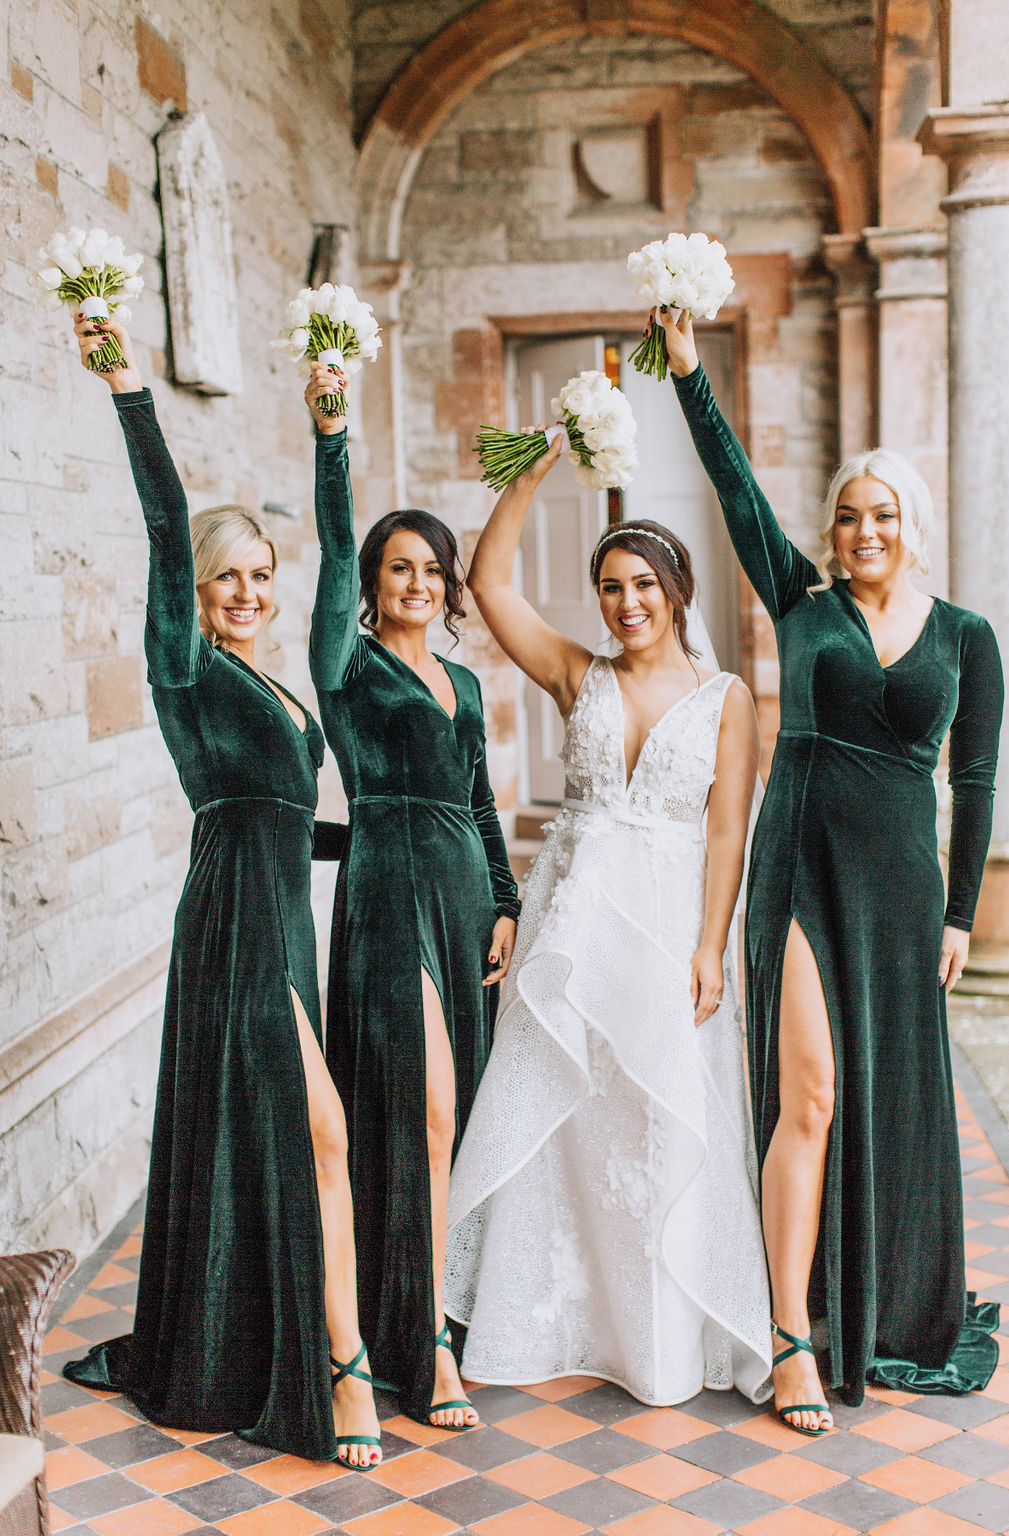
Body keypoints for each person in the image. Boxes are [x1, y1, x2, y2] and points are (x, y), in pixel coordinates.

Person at [662, 306, 1002, 1427]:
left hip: (904, 891)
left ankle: (884, 1301)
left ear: (912, 525)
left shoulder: (967, 636)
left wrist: (960, 916)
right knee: (807, 1093)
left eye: (883, 514)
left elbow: (976, 783)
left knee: (890, 1099)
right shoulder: (801, 602)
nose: (864, 530)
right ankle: (792, 1333)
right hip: (801, 867)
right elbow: (735, 491)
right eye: (849, 515)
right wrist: (689, 373)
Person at [62, 318, 382, 1468]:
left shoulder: (280, 684)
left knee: (293, 1138)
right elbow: (163, 524)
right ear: (197, 592)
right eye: (225, 577)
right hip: (237, 928)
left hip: (282, 918)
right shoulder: (185, 666)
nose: (245, 592)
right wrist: (129, 389)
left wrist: (331, 438)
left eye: (258, 576)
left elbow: (340, 577)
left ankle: (263, 1343)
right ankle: (342, 1371)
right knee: (323, 1132)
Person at [443, 428, 774, 1408]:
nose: (627, 604)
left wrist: (710, 948)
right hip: (573, 926)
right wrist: (538, 464)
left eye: (643, 586)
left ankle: (658, 1337)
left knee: (657, 1118)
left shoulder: (725, 700)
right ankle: (548, 1319)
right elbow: (489, 583)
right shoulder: (575, 673)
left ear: (676, 592)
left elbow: (728, 832)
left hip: (669, 925)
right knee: (563, 1108)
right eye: (610, 588)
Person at [304, 361, 521, 1427]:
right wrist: (331, 439)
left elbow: (480, 801)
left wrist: (509, 903)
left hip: (466, 903)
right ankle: (421, 1341)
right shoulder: (344, 664)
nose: (419, 583)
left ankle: (432, 1308)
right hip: (387, 901)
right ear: (372, 580)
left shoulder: (465, 682)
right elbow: (326, 558)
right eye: (400, 568)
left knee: (454, 1119)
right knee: (419, 1113)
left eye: (433, 569)